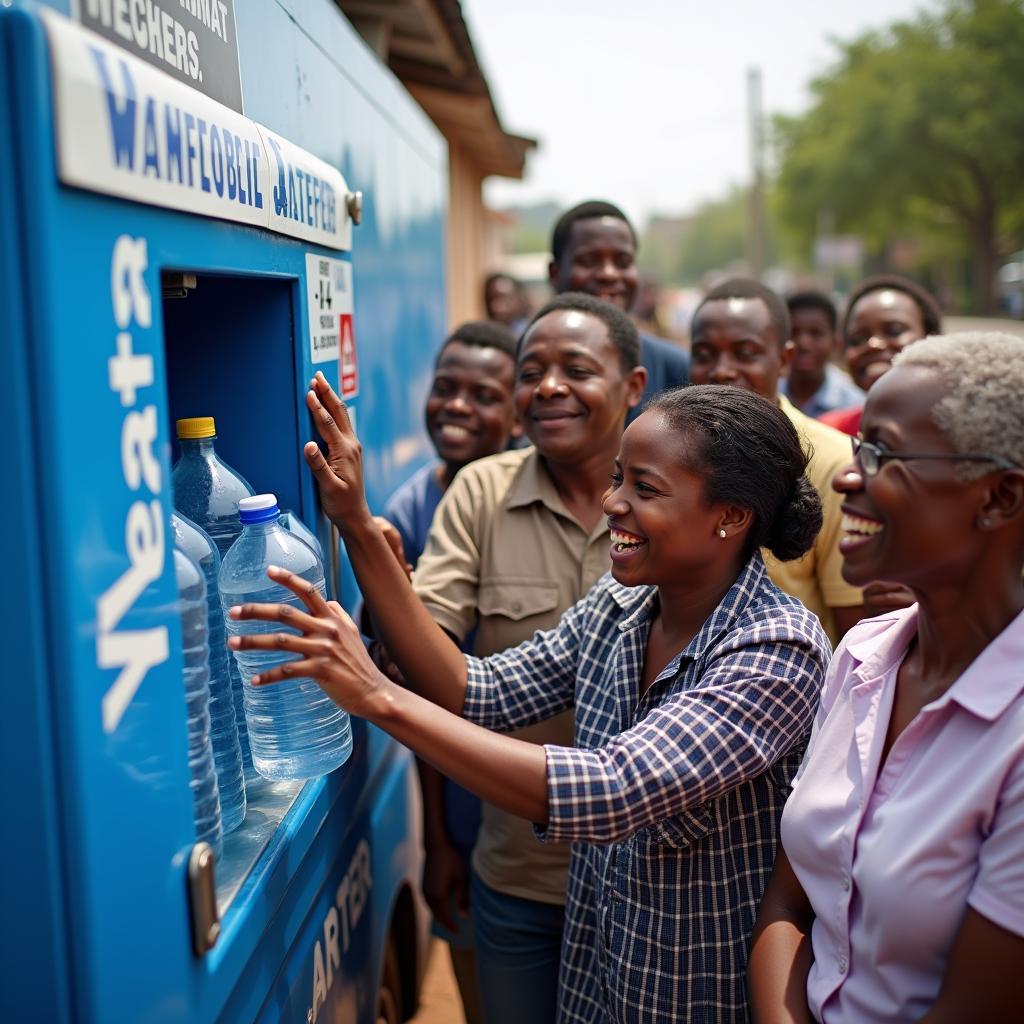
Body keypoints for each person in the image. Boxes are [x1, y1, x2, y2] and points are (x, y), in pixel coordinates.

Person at [229, 381, 831, 1023]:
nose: (612, 504)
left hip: (699, 1002)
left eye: (645, 490)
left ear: (731, 517)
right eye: (618, 479)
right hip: (599, 986)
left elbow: (611, 789)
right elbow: (475, 691)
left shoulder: (775, 650)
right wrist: (353, 517)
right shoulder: (620, 606)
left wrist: (377, 696)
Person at [748, 332, 1024, 1023]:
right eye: (857, 444)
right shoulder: (864, 654)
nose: (847, 475)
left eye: (884, 454)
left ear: (998, 497)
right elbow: (789, 900)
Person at [392, 292, 646, 1024]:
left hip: (653, 884)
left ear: (632, 386)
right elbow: (440, 664)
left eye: (576, 368)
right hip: (519, 880)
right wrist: (363, 545)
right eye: (532, 371)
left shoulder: (678, 496)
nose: (550, 387)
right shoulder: (478, 491)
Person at [378, 319, 519, 1024]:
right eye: (445, 389)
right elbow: (416, 690)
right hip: (462, 810)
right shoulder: (411, 506)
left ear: (517, 409)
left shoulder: (535, 498)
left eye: (483, 394)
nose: (458, 406)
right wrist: (437, 837)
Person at [689, 278, 864, 643]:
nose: (721, 370)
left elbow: (856, 635)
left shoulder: (834, 461)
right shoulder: (675, 456)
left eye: (745, 353)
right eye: (704, 354)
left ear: (784, 359)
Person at [548, 200, 689, 420]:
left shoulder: (678, 371)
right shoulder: (519, 367)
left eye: (622, 261)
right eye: (589, 260)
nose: (609, 274)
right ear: (555, 273)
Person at [819, 274, 942, 437]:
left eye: (894, 331)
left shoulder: (961, 431)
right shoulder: (827, 434)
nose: (873, 344)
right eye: (857, 339)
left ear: (930, 338)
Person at [779, 291, 863, 418]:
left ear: (836, 343)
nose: (803, 344)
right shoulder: (766, 396)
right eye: (794, 333)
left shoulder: (854, 405)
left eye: (816, 333)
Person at [483, 272, 531, 337]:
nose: (495, 307)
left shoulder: (530, 334)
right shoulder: (484, 335)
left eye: (503, 299)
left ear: (519, 299)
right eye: (490, 299)